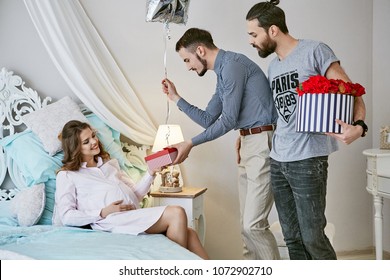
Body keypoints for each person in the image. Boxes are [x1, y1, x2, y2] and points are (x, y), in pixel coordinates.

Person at [246, 0, 367, 259]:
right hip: (278, 160)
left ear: (273, 30)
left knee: (313, 237)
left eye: (254, 34)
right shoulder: (273, 67)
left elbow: (350, 90)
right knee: (292, 238)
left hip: (308, 160)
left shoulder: (314, 50)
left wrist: (359, 126)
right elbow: (278, 112)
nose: (251, 41)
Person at [161, 28, 280, 260]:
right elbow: (208, 119)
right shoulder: (223, 73)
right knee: (246, 228)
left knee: (254, 226)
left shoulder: (234, 65)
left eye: (187, 60)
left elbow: (228, 120)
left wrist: (190, 143)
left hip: (260, 143)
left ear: (200, 50)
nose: (188, 66)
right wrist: (176, 98)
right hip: (247, 143)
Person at [53, 120, 208, 259]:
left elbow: (136, 195)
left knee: (191, 234)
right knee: (176, 213)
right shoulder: (68, 175)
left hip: (131, 215)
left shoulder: (110, 164)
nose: (94, 141)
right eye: (87, 141)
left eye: (93, 136)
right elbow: (67, 216)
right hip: (110, 221)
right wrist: (102, 212)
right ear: (76, 148)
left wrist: (151, 172)